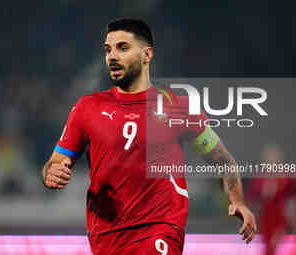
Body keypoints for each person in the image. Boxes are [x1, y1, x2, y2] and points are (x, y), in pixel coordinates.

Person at [41, 18, 256, 255]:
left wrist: (238, 201)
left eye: (123, 48)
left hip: (160, 229)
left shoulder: (178, 108)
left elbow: (222, 160)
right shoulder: (87, 108)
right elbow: (56, 162)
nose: (112, 56)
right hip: (105, 237)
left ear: (147, 55)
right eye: (108, 50)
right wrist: (52, 173)